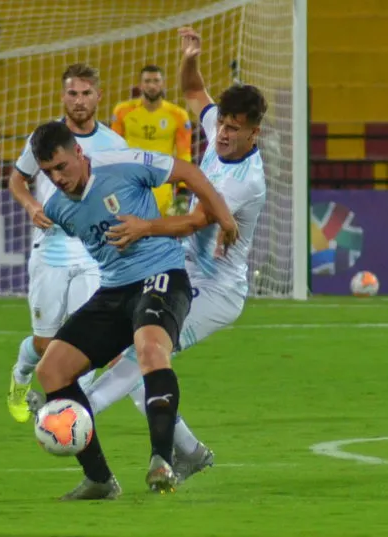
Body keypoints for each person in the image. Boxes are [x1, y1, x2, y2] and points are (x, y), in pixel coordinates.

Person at [81, 25, 269, 484]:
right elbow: (191, 89)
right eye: (221, 123)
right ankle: (189, 452)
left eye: (233, 129)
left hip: (217, 291)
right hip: (182, 272)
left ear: (253, 133)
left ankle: (75, 408)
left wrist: (145, 227)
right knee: (145, 358)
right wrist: (189, 56)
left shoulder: (244, 181)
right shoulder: (216, 130)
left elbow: (193, 222)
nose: (222, 133)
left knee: (143, 353)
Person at [29, 120, 237, 499]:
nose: (57, 178)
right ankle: (99, 479)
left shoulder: (122, 164)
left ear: (79, 152)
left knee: (150, 350)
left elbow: (187, 172)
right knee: (51, 371)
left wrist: (222, 216)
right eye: (47, 172)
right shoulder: (58, 208)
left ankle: (162, 459)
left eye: (61, 166)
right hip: (113, 291)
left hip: (161, 276)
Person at [5, 63, 127, 423]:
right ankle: (20, 376)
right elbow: (17, 180)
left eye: (86, 93)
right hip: (50, 252)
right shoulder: (44, 137)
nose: (79, 101)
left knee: (86, 343)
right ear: (63, 96)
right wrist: (31, 205)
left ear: (98, 96)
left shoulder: (114, 144)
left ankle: (70, 415)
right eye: (72, 93)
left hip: (93, 256)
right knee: (45, 344)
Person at [111, 65, 193, 217]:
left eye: (156, 81)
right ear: (140, 85)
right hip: (129, 183)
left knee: (158, 233)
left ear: (163, 84)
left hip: (161, 183)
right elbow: (114, 151)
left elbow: (184, 154)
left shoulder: (178, 115)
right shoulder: (122, 111)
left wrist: (183, 192)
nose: (152, 85)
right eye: (147, 81)